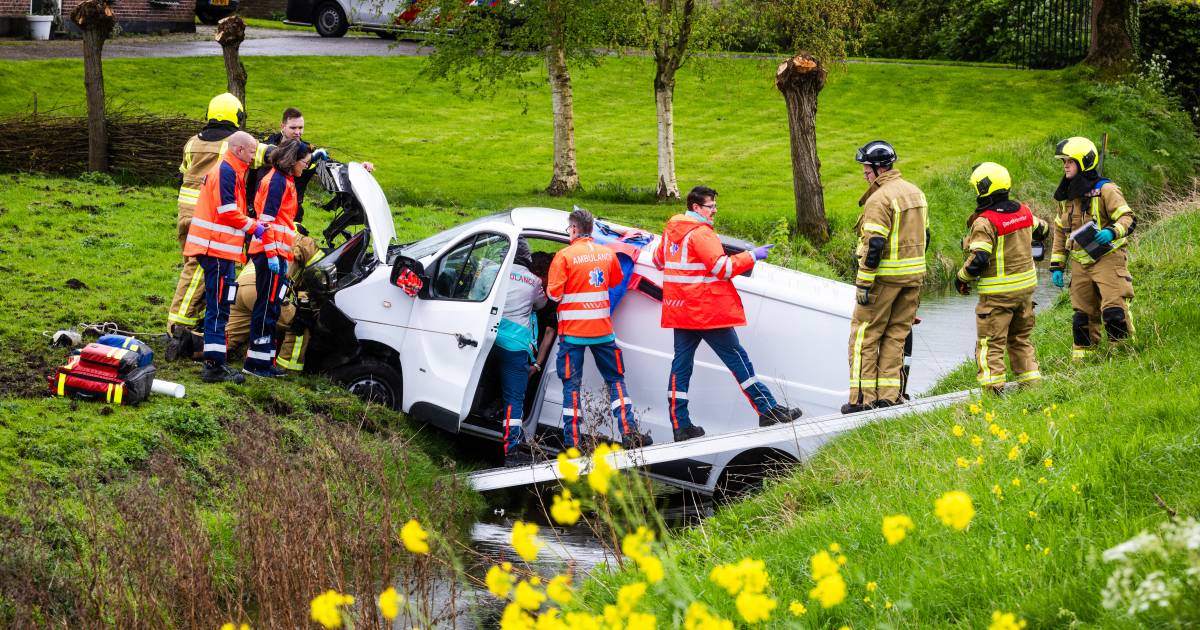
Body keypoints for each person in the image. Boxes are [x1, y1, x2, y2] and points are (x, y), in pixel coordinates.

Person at [653, 186, 802, 442]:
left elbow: (659, 261)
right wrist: (751, 256)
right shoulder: (701, 233)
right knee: (738, 359)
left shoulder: (671, 230)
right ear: (696, 207)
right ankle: (768, 409)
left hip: (681, 312)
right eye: (710, 206)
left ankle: (680, 425)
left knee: (681, 366)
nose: (714, 211)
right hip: (706, 312)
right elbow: (723, 268)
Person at [167, 93, 266, 358]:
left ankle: (187, 325)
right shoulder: (231, 145)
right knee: (198, 274)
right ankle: (177, 329)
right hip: (208, 218)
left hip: (185, 213)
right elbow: (264, 154)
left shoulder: (192, 142)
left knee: (194, 270)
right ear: (236, 116)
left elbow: (183, 173)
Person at [547, 208, 652, 450]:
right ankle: (629, 432)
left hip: (573, 334)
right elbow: (615, 282)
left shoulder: (564, 256)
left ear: (574, 229)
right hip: (602, 332)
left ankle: (573, 443)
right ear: (591, 229)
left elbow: (554, 294)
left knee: (572, 386)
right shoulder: (608, 253)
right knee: (615, 380)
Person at [844, 140, 929, 414]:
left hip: (883, 280)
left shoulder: (879, 199)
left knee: (864, 337)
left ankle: (862, 399)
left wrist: (863, 282)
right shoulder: (916, 193)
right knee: (896, 335)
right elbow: (926, 237)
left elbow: (875, 245)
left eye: (866, 169)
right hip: (913, 279)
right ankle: (889, 397)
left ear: (880, 169)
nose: (864, 174)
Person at [955, 162, 1048, 394]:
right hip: (1025, 291)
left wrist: (961, 278)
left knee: (991, 344)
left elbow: (979, 259)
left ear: (983, 188)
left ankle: (992, 392)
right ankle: (1033, 388)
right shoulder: (1024, 211)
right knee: (1020, 340)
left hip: (997, 296)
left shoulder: (985, 221)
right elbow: (1043, 230)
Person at [182, 131, 265, 384]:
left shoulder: (231, 170)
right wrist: (254, 227)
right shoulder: (227, 171)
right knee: (218, 307)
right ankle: (214, 366)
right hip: (216, 250)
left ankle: (216, 362)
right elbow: (228, 211)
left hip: (219, 250)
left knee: (221, 305)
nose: (254, 156)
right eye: (252, 151)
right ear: (239, 150)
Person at [1048, 136, 1136, 360]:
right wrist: (1057, 265)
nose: (1065, 165)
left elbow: (1128, 218)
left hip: (1108, 257)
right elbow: (1060, 231)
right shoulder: (1067, 196)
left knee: (1114, 311)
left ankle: (1123, 356)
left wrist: (1112, 232)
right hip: (1080, 263)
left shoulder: (1106, 190)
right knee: (1082, 318)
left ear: (1084, 162)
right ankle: (1084, 363)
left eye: (1070, 161)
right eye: (1064, 161)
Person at [241, 139, 312, 377]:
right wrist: (272, 254)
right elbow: (266, 222)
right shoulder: (278, 182)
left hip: (276, 253)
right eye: (304, 162)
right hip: (269, 253)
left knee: (271, 307)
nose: (305, 166)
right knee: (267, 307)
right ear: (293, 161)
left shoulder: (283, 179)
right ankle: (256, 364)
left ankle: (263, 361)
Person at [247, 107, 374, 234]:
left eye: (301, 128)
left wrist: (356, 170)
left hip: (290, 218)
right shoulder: (266, 145)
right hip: (259, 212)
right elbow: (256, 169)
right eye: (293, 128)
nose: (298, 132)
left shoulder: (306, 151)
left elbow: (331, 167)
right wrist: (249, 207)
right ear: (283, 126)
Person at [226, 233, 321, 372]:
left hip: (240, 288)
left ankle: (195, 346)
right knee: (299, 323)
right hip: (264, 289)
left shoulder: (266, 233)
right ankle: (287, 368)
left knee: (226, 339)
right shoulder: (303, 240)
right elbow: (318, 270)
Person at [493, 238, 548, 467]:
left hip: (488, 338)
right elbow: (541, 305)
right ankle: (512, 451)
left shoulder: (496, 271)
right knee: (514, 398)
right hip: (515, 346)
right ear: (527, 258)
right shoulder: (534, 281)